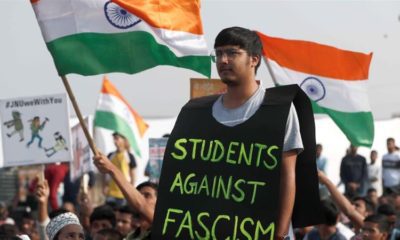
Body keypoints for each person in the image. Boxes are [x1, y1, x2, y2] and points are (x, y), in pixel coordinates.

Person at [94, 26, 322, 239]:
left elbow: (287, 175)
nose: (223, 60)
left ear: (254, 59)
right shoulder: (196, 111)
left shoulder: (278, 111)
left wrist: (280, 233)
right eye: (219, 54)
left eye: (232, 53)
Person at [105, 132, 137, 207]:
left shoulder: (129, 156)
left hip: (124, 193)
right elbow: (106, 172)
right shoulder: (110, 155)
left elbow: (133, 176)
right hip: (111, 192)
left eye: (117, 138)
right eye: (114, 139)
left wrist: (130, 190)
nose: (115, 141)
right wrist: (105, 185)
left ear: (123, 140)